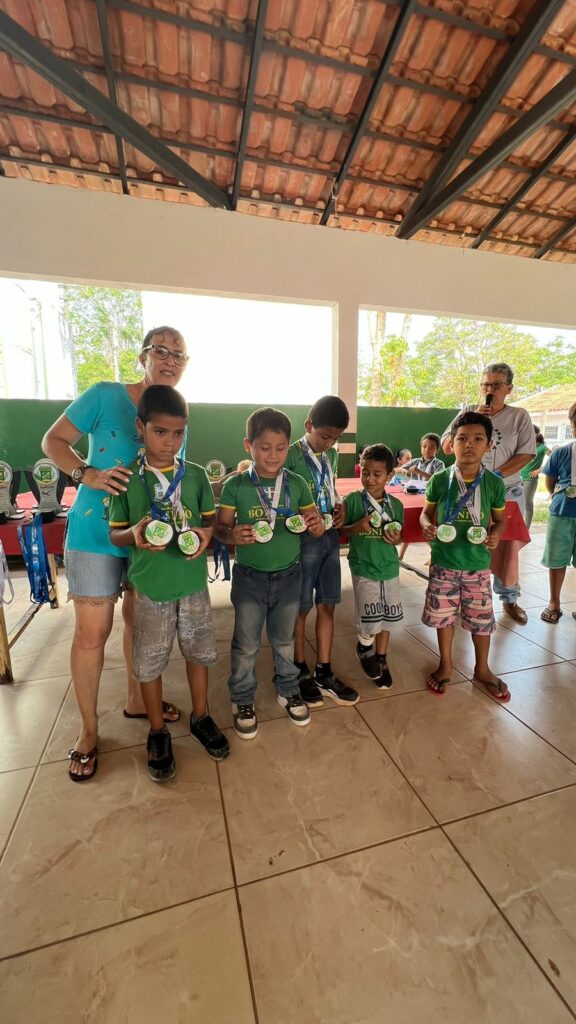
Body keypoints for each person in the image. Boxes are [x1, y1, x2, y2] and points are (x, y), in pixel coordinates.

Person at [42, 326, 187, 781]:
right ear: (143, 356)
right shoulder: (104, 395)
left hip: (148, 535)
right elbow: (53, 442)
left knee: (141, 622)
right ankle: (88, 731)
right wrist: (87, 472)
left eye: (179, 355)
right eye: (161, 351)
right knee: (92, 631)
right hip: (95, 532)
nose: (169, 359)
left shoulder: (179, 412)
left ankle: (135, 700)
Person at [108, 386, 228, 781]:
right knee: (148, 663)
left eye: (178, 433)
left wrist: (207, 536)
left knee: (199, 653)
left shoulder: (192, 475)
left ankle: (201, 716)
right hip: (150, 589)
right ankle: (157, 731)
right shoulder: (126, 479)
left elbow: (209, 524)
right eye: (160, 432)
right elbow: (116, 535)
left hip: (192, 584)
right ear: (141, 428)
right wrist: (136, 533)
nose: (170, 442)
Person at [215, 407, 324, 739]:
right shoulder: (235, 485)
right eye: (264, 447)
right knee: (246, 644)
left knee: (285, 640)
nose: (273, 455)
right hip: (250, 577)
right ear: (249, 445)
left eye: (280, 448)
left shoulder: (298, 483)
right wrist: (231, 536)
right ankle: (243, 698)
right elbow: (220, 527)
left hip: (290, 577)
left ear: (288, 446)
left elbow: (313, 523)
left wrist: (317, 525)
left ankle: (288, 689)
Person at [421, 412, 509, 702]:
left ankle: (482, 668)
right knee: (444, 617)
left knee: (481, 619)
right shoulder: (439, 479)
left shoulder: (494, 484)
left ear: (488, 446)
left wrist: (495, 532)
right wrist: (426, 525)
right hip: (444, 562)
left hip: (477, 566)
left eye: (477, 439)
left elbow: (499, 520)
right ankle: (446, 663)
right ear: (451, 444)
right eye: (462, 438)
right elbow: (426, 513)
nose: (469, 444)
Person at [441, 363, 534, 626]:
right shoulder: (469, 410)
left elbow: (526, 454)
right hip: (468, 491)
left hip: (506, 490)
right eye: (485, 385)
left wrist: (495, 478)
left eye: (496, 385)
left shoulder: (519, 416)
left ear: (509, 389)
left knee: (506, 545)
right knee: (468, 540)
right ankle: (463, 594)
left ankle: (509, 598)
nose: (489, 390)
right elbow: (448, 446)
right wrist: (469, 420)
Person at [285, 396, 358, 706]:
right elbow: (278, 499)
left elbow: (332, 487)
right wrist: (302, 517)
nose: (330, 443)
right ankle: (300, 668)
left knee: (328, 604)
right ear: (308, 425)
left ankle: (324, 669)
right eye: (325, 436)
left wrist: (339, 505)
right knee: (301, 608)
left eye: (336, 438)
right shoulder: (288, 456)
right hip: (303, 542)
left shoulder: (331, 456)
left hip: (329, 538)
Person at [341, 444, 404, 689]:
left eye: (377, 474)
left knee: (387, 619)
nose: (369, 478)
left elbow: (400, 535)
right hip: (364, 567)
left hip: (389, 567)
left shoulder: (396, 505)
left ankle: (381, 657)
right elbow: (340, 531)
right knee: (370, 617)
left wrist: (397, 539)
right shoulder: (353, 500)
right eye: (365, 472)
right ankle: (364, 646)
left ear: (390, 476)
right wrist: (355, 527)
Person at [540, 402, 576, 624]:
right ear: (572, 425)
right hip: (562, 511)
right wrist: (559, 497)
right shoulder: (562, 452)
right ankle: (554, 602)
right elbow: (550, 481)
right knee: (557, 558)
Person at [521, 424, 550, 528]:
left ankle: (526, 528)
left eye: (532, 432)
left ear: (537, 434)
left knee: (527, 504)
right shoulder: (525, 445)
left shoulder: (542, 447)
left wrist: (539, 470)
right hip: (518, 478)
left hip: (530, 479)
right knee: (518, 503)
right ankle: (519, 527)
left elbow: (554, 459)